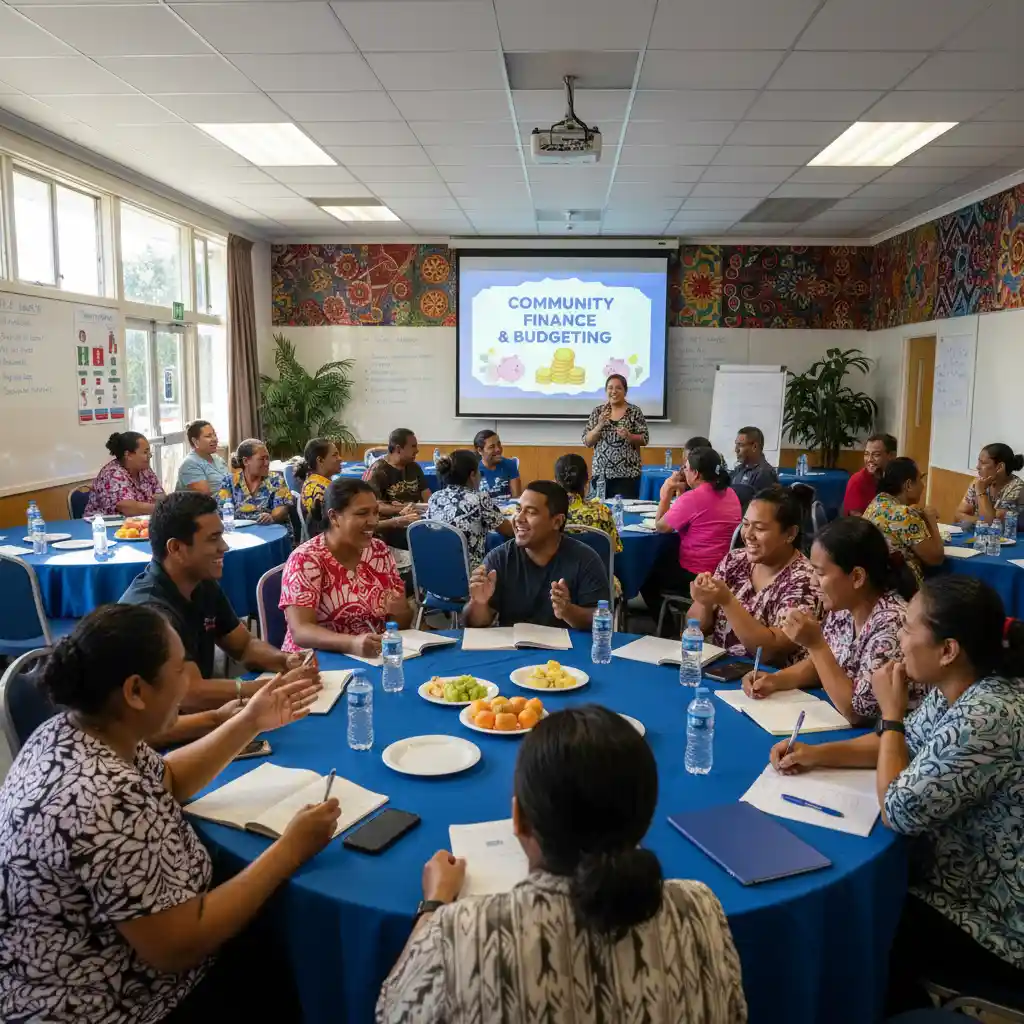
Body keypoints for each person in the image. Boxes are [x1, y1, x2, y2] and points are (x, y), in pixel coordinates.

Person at [0, 604, 338, 1024]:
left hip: (103, 967)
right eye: (180, 671)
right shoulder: (104, 798)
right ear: (136, 691)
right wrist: (290, 849)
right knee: (300, 961)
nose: (189, 683)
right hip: (114, 1003)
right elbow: (179, 946)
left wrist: (251, 721)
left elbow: (169, 779)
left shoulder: (73, 732)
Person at [376, 705, 747, 1024]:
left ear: (518, 820)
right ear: (646, 821)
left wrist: (434, 904)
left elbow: (392, 1012)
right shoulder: (700, 909)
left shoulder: (460, 932)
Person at [770, 576, 1024, 1011]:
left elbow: (898, 810)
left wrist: (890, 714)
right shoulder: (962, 686)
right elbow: (904, 745)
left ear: (948, 650)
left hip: (991, 919)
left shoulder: (986, 715)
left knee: (851, 919)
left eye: (908, 629)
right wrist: (816, 754)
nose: (899, 641)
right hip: (954, 879)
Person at [121, 491, 312, 712]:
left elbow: (244, 646)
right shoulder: (151, 612)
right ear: (176, 549)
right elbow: (189, 693)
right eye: (213, 538)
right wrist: (262, 688)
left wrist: (285, 661)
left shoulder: (202, 584)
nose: (224, 547)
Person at [744, 516, 923, 723]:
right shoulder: (844, 608)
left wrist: (815, 644)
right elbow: (824, 663)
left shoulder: (892, 624)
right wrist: (775, 680)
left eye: (820, 573)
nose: (813, 582)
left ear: (857, 577)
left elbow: (856, 712)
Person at [280, 478, 412, 660]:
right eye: (362, 513)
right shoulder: (306, 559)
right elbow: (301, 631)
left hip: (371, 656)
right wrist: (351, 643)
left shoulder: (378, 551)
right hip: (316, 661)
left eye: (376, 512)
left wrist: (401, 611)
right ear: (334, 517)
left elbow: (399, 625)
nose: (373, 521)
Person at [688, 486, 821, 666]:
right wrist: (704, 602)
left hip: (771, 683)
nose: (748, 535)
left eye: (759, 528)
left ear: (790, 534)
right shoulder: (734, 560)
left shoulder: (805, 580)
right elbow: (694, 626)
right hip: (721, 672)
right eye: (745, 524)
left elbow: (768, 652)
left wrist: (727, 601)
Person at [465, 481, 610, 630]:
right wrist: (479, 603)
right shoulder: (500, 558)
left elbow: (600, 618)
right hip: (514, 649)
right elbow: (476, 623)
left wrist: (568, 611)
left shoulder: (585, 559)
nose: (518, 518)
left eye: (531, 512)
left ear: (557, 522)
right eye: (518, 509)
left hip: (568, 650)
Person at [643, 446, 741, 622]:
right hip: (724, 571)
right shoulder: (731, 493)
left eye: (686, 468)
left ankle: (667, 630)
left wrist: (665, 494)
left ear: (695, 474)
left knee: (646, 572)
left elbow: (661, 527)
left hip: (696, 573)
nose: (684, 472)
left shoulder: (694, 498)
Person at [862, 457, 944, 589]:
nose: (923, 485)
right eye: (920, 479)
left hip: (874, 582)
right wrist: (931, 521)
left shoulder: (877, 503)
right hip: (903, 587)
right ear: (908, 485)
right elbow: (935, 558)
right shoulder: (905, 515)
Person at [426, 449, 511, 570]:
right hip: (469, 574)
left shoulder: (435, 497)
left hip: (434, 570)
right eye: (478, 472)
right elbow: (507, 530)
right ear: (472, 475)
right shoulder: (479, 498)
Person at [582, 373, 650, 499]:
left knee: (624, 513)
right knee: (600, 512)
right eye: (610, 388)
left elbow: (644, 439)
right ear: (606, 390)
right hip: (601, 475)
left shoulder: (634, 412)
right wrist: (599, 425)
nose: (614, 391)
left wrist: (630, 436)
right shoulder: (598, 412)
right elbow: (587, 441)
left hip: (628, 475)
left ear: (625, 391)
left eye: (618, 388)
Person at [367, 427, 428, 550]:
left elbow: (426, 494)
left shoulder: (414, 467)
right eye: (413, 446)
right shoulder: (378, 472)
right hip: (393, 528)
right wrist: (402, 509)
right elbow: (375, 506)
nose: (417, 450)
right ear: (398, 449)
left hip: (416, 521)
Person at [84, 430, 165, 517]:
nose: (150, 455)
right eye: (145, 452)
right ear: (128, 455)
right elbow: (127, 507)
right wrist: (161, 509)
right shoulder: (113, 474)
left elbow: (160, 495)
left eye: (149, 452)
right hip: (102, 527)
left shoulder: (144, 469)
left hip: (136, 523)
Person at [553, 453, 622, 553]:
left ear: (555, 480)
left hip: (557, 568)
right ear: (587, 480)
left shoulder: (549, 513)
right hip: (595, 567)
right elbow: (615, 549)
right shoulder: (601, 511)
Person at [216, 438, 292, 525]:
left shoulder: (276, 479)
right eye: (262, 459)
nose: (267, 463)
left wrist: (271, 517)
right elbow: (223, 511)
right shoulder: (229, 482)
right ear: (246, 461)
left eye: (267, 458)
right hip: (241, 533)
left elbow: (282, 507)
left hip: (271, 530)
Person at [956, 442, 1024, 522]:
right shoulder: (979, 482)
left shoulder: (1017, 488)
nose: (977, 467)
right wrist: (980, 519)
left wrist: (981, 492)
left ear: (1000, 467)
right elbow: (959, 515)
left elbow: (991, 524)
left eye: (983, 463)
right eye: (979, 462)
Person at [843, 432, 897, 516]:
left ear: (892, 456)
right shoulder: (857, 481)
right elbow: (857, 522)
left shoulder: (895, 479)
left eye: (876, 455)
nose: (869, 459)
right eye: (866, 454)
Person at [294, 437, 343, 520]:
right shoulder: (319, 490)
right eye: (335, 455)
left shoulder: (314, 482)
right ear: (320, 460)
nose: (340, 459)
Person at [176, 420, 229, 495]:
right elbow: (206, 498)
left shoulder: (217, 459)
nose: (215, 439)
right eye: (208, 436)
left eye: (215, 435)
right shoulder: (190, 464)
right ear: (195, 441)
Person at [658, 435, 714, 502]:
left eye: (689, 459)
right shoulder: (683, 471)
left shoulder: (710, 478)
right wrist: (669, 486)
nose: (686, 463)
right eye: (685, 458)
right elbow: (664, 494)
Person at [473, 429, 522, 500]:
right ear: (480, 451)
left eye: (499, 444)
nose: (498, 449)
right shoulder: (474, 470)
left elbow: (516, 498)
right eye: (492, 447)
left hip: (508, 510)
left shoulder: (510, 464)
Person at [730, 426, 778, 493]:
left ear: (754, 447)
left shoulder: (765, 473)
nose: (736, 450)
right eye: (736, 444)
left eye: (740, 445)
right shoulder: (738, 469)